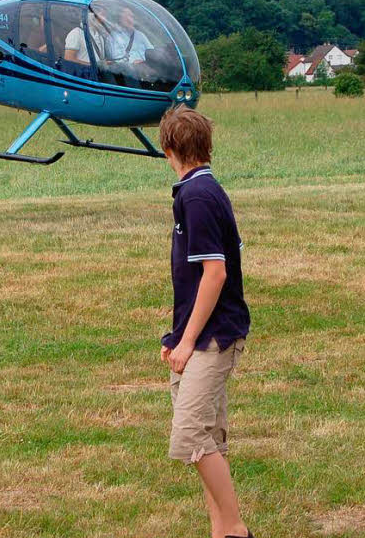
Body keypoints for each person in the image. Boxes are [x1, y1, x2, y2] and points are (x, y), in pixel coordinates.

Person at [158, 105, 252, 538]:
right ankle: (220, 529)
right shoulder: (203, 189)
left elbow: (215, 274)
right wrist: (176, 335)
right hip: (201, 335)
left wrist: (187, 342)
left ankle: (234, 529)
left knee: (192, 435)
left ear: (169, 148)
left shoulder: (196, 196)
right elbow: (195, 277)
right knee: (208, 436)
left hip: (212, 338)